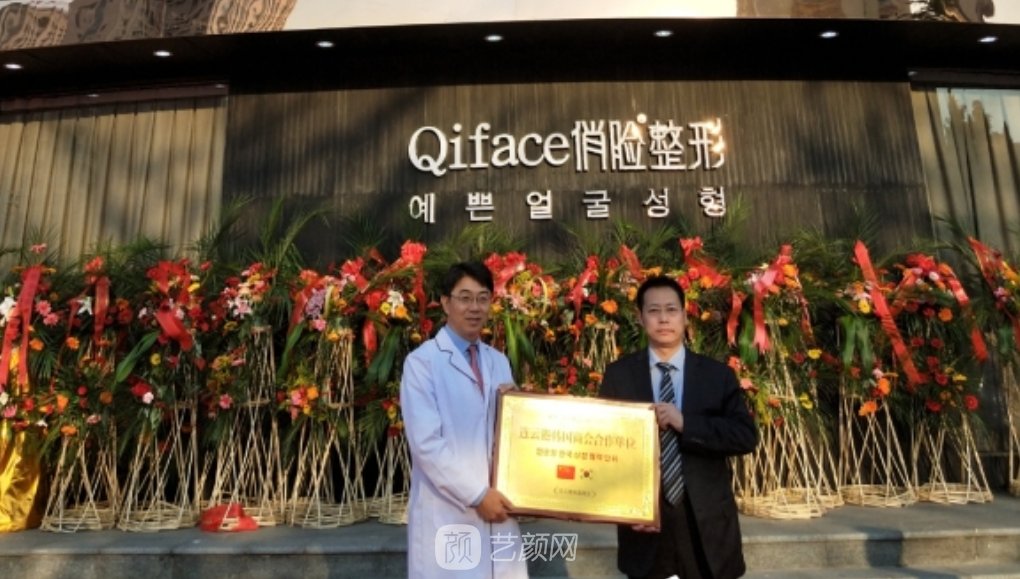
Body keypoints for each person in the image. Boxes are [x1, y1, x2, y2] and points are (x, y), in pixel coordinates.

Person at [599, 275, 757, 579]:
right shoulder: (619, 375)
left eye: (671, 310)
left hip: (705, 524)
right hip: (645, 523)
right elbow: (606, 448)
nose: (663, 319)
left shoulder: (717, 375)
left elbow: (744, 436)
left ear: (685, 316)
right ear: (640, 317)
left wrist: (686, 423)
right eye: (654, 311)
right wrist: (625, 507)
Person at [400, 261, 527, 578]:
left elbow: (510, 436)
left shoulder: (498, 362)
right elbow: (427, 445)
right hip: (450, 511)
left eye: (483, 298)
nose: (475, 308)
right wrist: (477, 495)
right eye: (465, 298)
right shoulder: (422, 363)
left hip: (500, 509)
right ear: (445, 303)